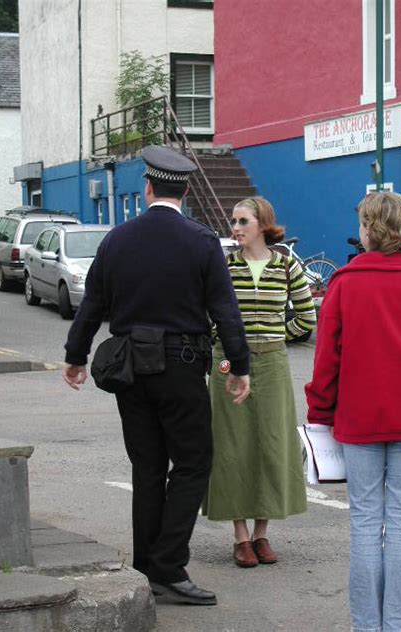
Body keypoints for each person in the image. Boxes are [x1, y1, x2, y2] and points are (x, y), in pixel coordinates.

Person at [62, 145, 250, 606]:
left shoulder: (116, 240)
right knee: (191, 463)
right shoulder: (202, 241)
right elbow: (225, 310)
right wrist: (240, 366)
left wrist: (75, 355)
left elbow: (93, 305)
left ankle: (148, 565)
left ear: (147, 188)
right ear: (184, 190)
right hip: (182, 365)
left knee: (147, 466)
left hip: (129, 366)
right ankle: (167, 567)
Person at [306, 192, 401, 632]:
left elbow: (326, 362)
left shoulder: (345, 284)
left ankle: (367, 624)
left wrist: (320, 411)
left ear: (370, 228)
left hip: (358, 420)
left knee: (366, 523)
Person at [203, 196, 316, 567]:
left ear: (263, 224)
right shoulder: (224, 265)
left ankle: (262, 534)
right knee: (231, 445)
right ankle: (240, 536)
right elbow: (206, 314)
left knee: (271, 445)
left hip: (272, 363)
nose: (235, 229)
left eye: (242, 221)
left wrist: (275, 337)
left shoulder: (286, 267)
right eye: (233, 221)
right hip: (228, 363)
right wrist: (221, 344)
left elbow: (306, 316)